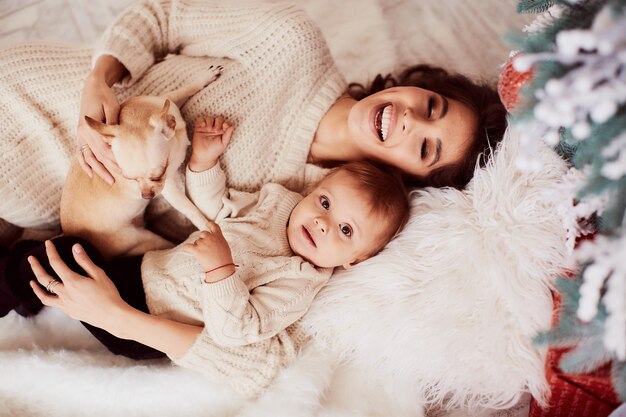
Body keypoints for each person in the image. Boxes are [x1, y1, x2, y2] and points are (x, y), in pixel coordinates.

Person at [0, 0, 506, 245]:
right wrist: (100, 79)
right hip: (33, 90)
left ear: (408, 178)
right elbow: (162, 15)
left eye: (424, 148)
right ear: (421, 84)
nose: (410, 120)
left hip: (50, 199)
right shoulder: (292, 39)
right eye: (433, 105)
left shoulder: (310, 209)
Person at [0, 115, 411, 399]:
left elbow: (238, 330)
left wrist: (221, 270)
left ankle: (10, 290)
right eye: (325, 202)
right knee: (71, 248)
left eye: (345, 230)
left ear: (354, 260)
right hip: (145, 268)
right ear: (314, 189)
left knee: (61, 262)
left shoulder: (299, 281)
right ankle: (19, 277)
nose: (323, 222)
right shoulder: (279, 204)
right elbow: (219, 208)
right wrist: (203, 164)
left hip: (149, 320)